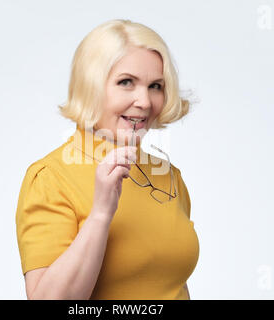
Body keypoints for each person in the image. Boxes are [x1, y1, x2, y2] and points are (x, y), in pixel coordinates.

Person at [15, 19, 199, 300]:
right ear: (91, 86)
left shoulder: (168, 176)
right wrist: (100, 213)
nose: (145, 102)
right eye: (126, 82)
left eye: (155, 86)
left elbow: (173, 285)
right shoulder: (51, 177)